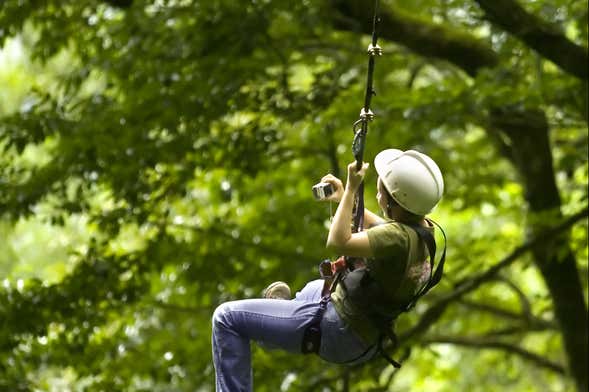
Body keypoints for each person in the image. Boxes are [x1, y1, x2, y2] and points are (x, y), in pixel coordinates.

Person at [211, 149, 444, 391]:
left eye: (380, 190)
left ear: (395, 199)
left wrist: (353, 187)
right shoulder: (423, 231)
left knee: (226, 318)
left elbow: (338, 242)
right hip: (368, 335)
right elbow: (380, 226)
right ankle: (274, 322)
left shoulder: (396, 238)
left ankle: (270, 326)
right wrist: (345, 199)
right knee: (315, 287)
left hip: (340, 331)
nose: (377, 193)